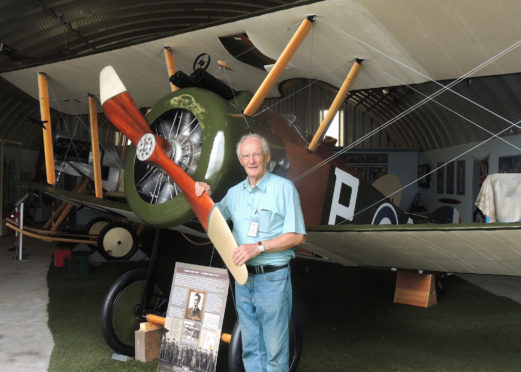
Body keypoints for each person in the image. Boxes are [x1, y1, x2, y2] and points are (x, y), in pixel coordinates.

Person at [195, 133, 306, 372]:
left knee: (275, 350)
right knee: (251, 346)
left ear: (267, 157)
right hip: (243, 278)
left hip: (273, 279)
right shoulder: (235, 193)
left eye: (256, 154)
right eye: (246, 156)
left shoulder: (284, 189)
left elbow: (297, 236)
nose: (251, 160)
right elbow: (213, 220)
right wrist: (202, 194)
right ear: (240, 160)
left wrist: (258, 247)